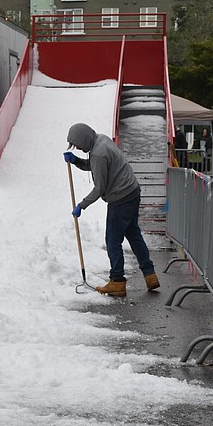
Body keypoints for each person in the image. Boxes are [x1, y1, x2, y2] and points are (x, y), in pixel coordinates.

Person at [64, 122, 159, 298]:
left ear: (84, 139)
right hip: (132, 191)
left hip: (120, 198)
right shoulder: (101, 140)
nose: (77, 148)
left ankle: (117, 282)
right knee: (134, 235)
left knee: (113, 240)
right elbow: (94, 165)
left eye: (77, 144)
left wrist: (81, 205)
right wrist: (76, 161)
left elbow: (100, 187)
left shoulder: (98, 153)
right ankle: (150, 274)